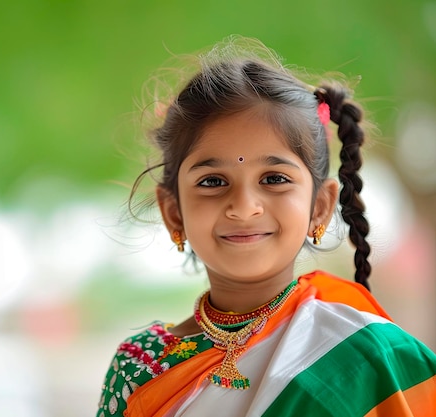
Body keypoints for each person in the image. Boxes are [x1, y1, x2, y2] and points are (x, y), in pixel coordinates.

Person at [96, 36, 436, 417]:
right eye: (212, 181)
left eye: (274, 179)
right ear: (173, 211)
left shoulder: (369, 357)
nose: (243, 207)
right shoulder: (139, 367)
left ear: (320, 207)